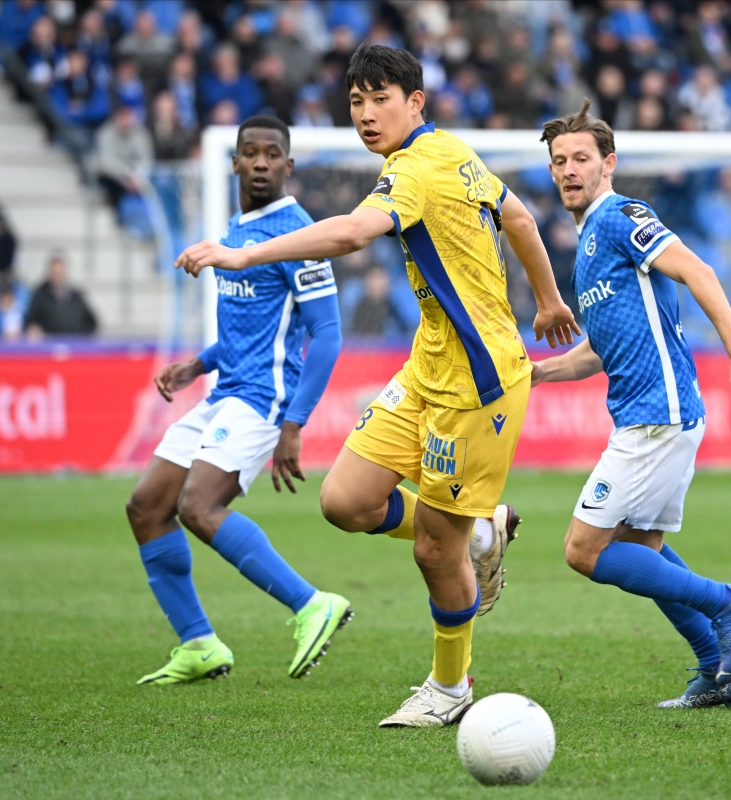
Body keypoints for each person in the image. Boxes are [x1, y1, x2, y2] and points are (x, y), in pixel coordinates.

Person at [176, 45, 579, 727]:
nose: (365, 114)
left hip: (477, 386)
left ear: (416, 103)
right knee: (346, 499)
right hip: (427, 369)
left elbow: (353, 234)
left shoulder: (416, 169)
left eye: (380, 99)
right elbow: (519, 217)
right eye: (356, 101)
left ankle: (450, 690)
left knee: (432, 548)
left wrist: (244, 253)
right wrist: (545, 298)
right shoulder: (452, 150)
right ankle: (482, 533)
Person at [530, 101, 731, 709]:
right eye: (559, 161)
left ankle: (728, 602)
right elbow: (596, 353)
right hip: (656, 414)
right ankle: (721, 670)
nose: (568, 170)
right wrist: (535, 376)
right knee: (642, 551)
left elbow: (696, 269)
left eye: (581, 158)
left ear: (607, 164)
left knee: (584, 551)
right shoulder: (586, 245)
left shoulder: (620, 217)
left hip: (654, 417)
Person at [126, 116, 350, 686]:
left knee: (199, 507)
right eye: (249, 152)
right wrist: (197, 365)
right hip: (223, 392)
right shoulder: (236, 227)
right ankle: (199, 643)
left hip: (263, 400)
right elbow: (248, 330)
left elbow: (326, 334)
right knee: (148, 506)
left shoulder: (301, 234)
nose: (259, 162)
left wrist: (294, 423)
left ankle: (311, 604)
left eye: (271, 154)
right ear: (234, 163)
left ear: (288, 166)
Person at [24, 253, 98, 337]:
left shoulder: (76, 296)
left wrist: (80, 336)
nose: (57, 277)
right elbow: (30, 322)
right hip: (49, 344)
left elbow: (91, 322)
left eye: (60, 273)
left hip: (74, 344)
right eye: (54, 273)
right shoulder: (40, 296)